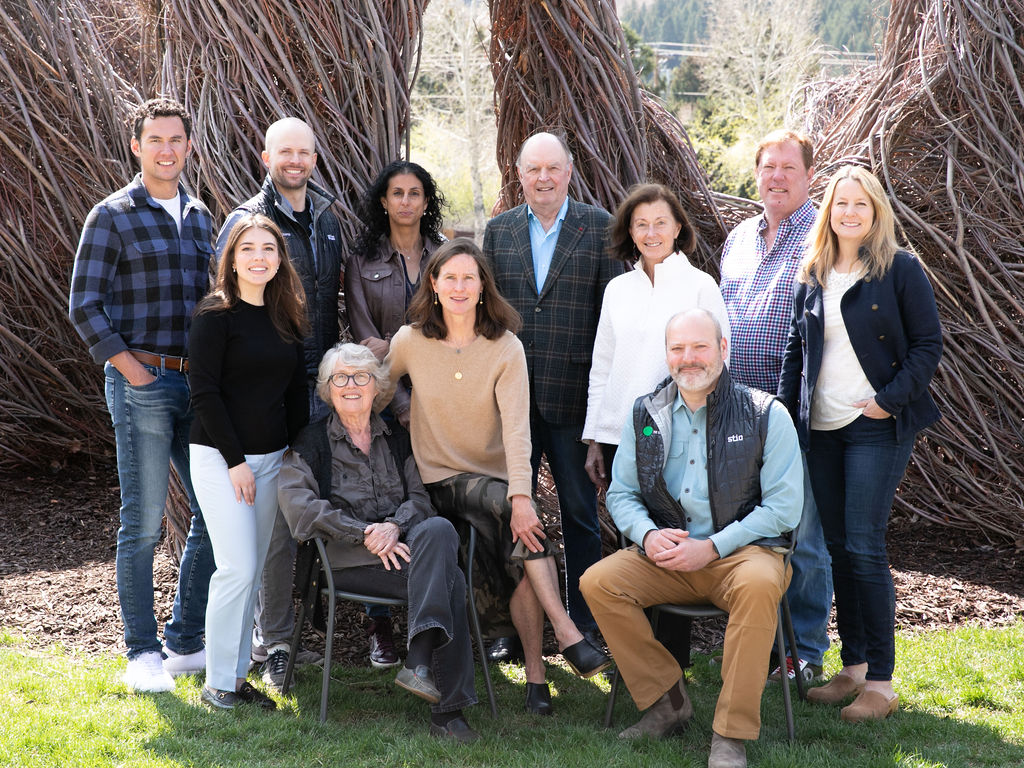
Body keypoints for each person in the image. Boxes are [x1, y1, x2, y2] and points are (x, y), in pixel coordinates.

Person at [382, 238, 611, 716]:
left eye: (470, 277)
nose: (460, 286)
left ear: (484, 286)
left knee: (520, 542)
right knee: (519, 519)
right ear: (434, 285)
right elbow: (375, 395)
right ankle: (567, 634)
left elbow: (517, 429)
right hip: (439, 483)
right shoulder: (410, 341)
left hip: (494, 486)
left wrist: (523, 495)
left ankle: (536, 682)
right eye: (451, 278)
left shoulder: (505, 346)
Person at [581, 308, 803, 768]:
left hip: (743, 555)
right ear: (666, 356)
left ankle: (730, 734)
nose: (689, 358)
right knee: (598, 582)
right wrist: (647, 535)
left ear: (723, 349)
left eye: (700, 346)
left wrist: (714, 546)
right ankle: (668, 701)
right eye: (678, 349)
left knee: (761, 585)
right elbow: (621, 494)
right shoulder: (645, 413)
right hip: (668, 557)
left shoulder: (766, 413)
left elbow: (784, 508)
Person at [778, 166, 942, 722]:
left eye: (861, 205)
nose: (850, 213)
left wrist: (887, 400)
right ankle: (851, 668)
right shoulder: (814, 272)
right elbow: (795, 356)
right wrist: (782, 417)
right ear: (828, 212)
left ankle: (882, 681)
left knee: (866, 547)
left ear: (876, 214)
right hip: (820, 429)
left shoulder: (900, 270)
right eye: (840, 203)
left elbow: (927, 346)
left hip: (875, 424)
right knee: (839, 549)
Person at [68, 97, 216, 691]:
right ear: (137, 146)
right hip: (144, 385)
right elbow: (85, 306)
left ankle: (183, 640)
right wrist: (133, 373)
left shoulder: (202, 216)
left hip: (197, 384)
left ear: (188, 145)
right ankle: (142, 651)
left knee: (213, 512)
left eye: (176, 138)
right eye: (155, 139)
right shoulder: (112, 215)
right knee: (143, 522)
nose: (166, 149)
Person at [278, 343, 479, 743]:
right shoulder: (313, 441)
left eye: (361, 377)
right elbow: (300, 510)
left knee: (438, 528)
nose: (351, 385)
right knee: (451, 579)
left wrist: (393, 526)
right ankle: (446, 712)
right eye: (340, 378)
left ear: (377, 387)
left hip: (403, 552)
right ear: (327, 389)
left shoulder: (396, 439)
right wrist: (365, 533)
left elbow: (420, 500)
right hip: (348, 562)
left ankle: (421, 660)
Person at [483, 131, 624, 659]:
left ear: (569, 171)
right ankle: (508, 630)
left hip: (573, 400)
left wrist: (599, 417)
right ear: (518, 174)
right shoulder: (498, 234)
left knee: (580, 514)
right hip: (510, 403)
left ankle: (582, 624)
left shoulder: (601, 228)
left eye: (553, 168)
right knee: (507, 513)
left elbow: (609, 324)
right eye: (533, 169)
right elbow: (486, 319)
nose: (543, 178)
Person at [216, 117, 343, 688]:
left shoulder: (328, 217)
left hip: (322, 385)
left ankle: (304, 631)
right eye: (283, 152)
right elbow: (226, 306)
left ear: (315, 159)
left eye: (304, 153)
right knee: (271, 524)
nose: (294, 161)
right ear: (266, 157)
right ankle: (275, 642)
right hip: (270, 386)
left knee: (310, 506)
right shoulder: (247, 222)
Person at [718, 129, 832, 683]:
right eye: (769, 167)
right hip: (737, 416)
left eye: (789, 167)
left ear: (809, 175)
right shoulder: (738, 237)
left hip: (794, 413)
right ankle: (766, 647)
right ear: (757, 174)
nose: (778, 177)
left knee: (803, 534)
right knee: (754, 533)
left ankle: (807, 651)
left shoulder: (823, 232)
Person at [189, 214, 308, 710]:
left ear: (279, 259)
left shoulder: (286, 316)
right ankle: (216, 683)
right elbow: (204, 393)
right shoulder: (215, 316)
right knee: (236, 569)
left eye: (268, 249)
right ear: (231, 258)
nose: (259, 257)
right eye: (248, 249)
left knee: (254, 568)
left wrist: (296, 455)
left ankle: (236, 679)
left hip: (272, 461)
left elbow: (297, 395)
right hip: (221, 459)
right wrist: (236, 461)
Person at [344, 161, 447, 667]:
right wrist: (401, 402)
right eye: (396, 193)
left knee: (431, 505)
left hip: (439, 404)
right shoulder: (361, 260)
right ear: (383, 202)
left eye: (415, 193)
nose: (405, 202)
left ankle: (432, 623)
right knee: (377, 505)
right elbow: (368, 343)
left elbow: (450, 330)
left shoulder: (443, 253)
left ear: (426, 201)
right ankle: (379, 625)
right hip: (383, 407)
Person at [583, 182, 730, 490]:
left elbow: (720, 364)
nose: (651, 234)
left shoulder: (701, 286)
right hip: (618, 438)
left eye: (660, 223)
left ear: (678, 227)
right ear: (631, 232)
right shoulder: (618, 289)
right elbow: (602, 368)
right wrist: (595, 438)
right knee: (631, 529)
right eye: (641, 225)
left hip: (681, 436)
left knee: (676, 530)